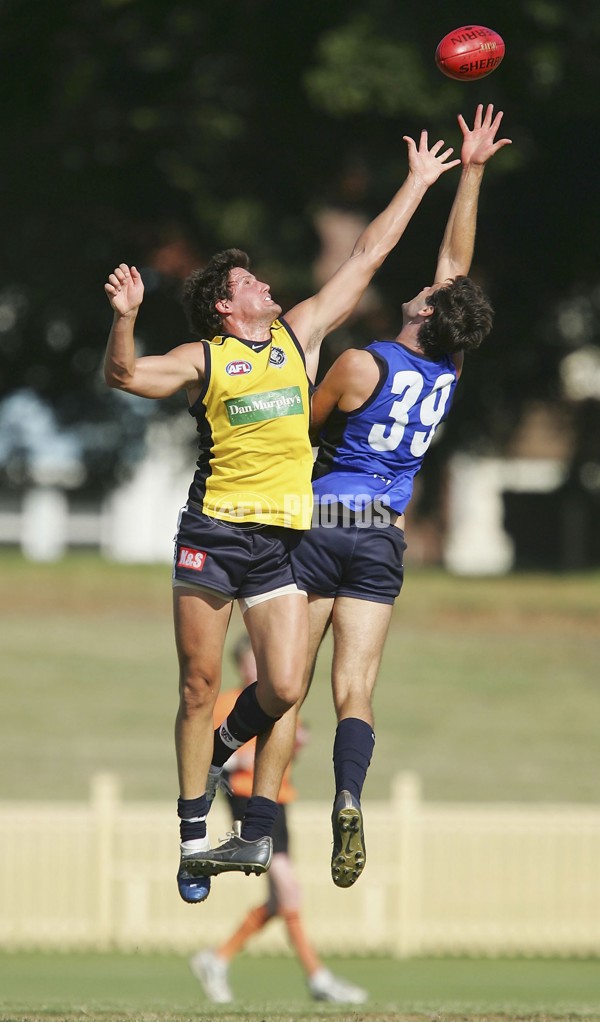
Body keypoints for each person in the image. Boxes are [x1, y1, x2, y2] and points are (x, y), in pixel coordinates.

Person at [103, 125, 462, 905]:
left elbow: (365, 256)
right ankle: (193, 833)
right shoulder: (207, 357)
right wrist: (127, 315)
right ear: (227, 309)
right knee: (200, 685)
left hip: (276, 546)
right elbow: (126, 374)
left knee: (287, 686)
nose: (266, 285)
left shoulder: (298, 340)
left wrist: (421, 182)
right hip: (210, 536)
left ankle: (225, 757)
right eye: (251, 283)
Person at [289, 103, 512, 889]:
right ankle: (348, 796)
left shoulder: (361, 363)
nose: (424, 289)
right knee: (357, 689)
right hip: (384, 531)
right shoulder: (448, 371)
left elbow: (305, 435)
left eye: (425, 293)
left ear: (422, 314)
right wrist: (474, 171)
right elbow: (457, 267)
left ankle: (257, 817)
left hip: (327, 517)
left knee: (290, 683)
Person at [189, 634, 367, 1005]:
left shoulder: (280, 701)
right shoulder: (229, 703)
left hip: (281, 801)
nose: (256, 665)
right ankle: (318, 978)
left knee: (277, 901)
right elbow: (212, 756)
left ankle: (216, 959)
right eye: (250, 660)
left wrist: (295, 742)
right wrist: (243, 762)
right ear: (240, 665)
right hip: (249, 801)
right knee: (289, 890)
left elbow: (280, 749)